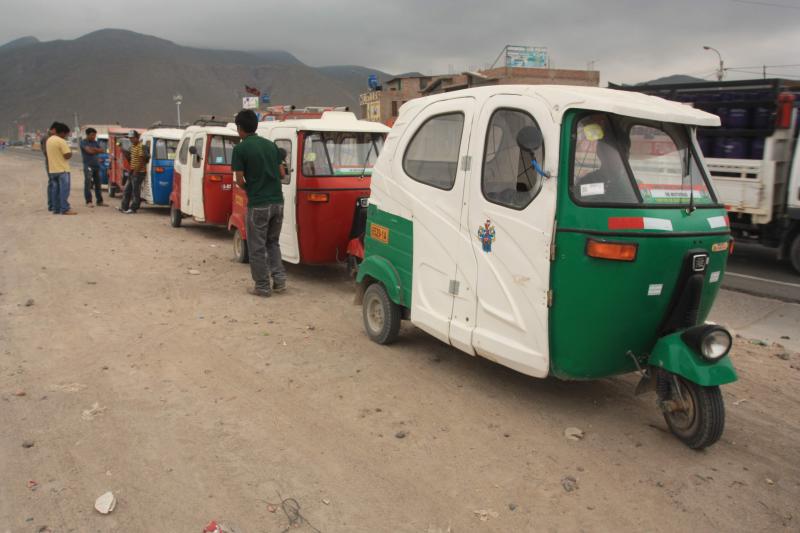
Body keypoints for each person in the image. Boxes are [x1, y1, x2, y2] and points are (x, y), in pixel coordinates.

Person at [231, 109, 286, 297]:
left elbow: (239, 179)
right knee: (273, 243)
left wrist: (251, 189)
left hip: (258, 204)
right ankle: (279, 281)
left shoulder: (240, 149)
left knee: (257, 246)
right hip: (278, 202)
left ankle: (262, 286)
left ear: (240, 128)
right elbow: (282, 174)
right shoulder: (271, 145)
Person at [46, 122, 77, 215]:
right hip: (62, 169)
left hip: (52, 169)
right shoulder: (61, 141)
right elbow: (67, 155)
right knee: (64, 190)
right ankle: (65, 208)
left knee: (55, 191)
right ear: (62, 132)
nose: (66, 136)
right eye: (66, 134)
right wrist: (70, 152)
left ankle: (56, 208)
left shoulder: (49, 140)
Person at [120, 130, 147, 214]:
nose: (131, 139)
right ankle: (124, 207)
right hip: (133, 171)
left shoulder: (140, 146)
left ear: (137, 138)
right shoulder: (132, 147)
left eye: (133, 138)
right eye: (130, 138)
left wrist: (136, 171)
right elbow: (131, 159)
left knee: (135, 191)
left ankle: (134, 208)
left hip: (139, 172)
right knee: (127, 189)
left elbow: (141, 159)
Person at [80, 128, 105, 207]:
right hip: (88, 166)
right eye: (92, 135)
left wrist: (94, 149)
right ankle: (89, 201)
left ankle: (99, 201)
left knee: (98, 184)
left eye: (95, 135)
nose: (94, 136)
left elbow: (102, 150)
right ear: (87, 135)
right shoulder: (83, 142)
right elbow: (89, 151)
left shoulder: (95, 142)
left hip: (96, 165)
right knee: (88, 183)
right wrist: (96, 150)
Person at [42, 122, 57, 211]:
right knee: (52, 183)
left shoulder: (51, 137)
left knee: (54, 183)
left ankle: (53, 204)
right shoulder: (47, 138)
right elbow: (46, 152)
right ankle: (51, 205)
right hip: (51, 163)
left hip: (54, 163)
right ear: (53, 130)